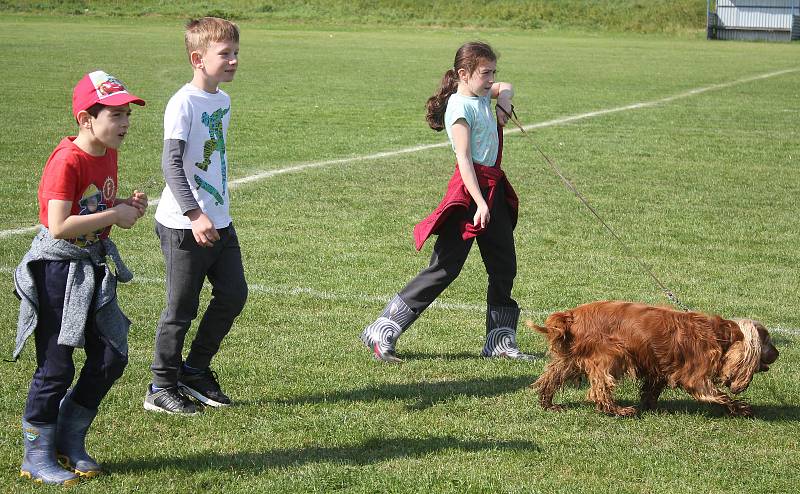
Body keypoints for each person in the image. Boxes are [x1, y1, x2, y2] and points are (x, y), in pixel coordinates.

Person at [360, 41, 533, 362]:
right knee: (444, 268)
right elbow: (465, 160)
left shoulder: (481, 93)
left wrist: (504, 100)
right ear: (464, 74)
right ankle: (382, 328)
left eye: (493, 71)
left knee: (504, 265)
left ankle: (499, 341)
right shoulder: (459, 108)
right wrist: (480, 204)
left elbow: (506, 87)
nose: (491, 79)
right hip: (469, 195)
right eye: (486, 73)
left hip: (491, 191)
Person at [13, 70, 147, 485]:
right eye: (116, 115)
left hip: (90, 265)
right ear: (86, 118)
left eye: (127, 114)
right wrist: (114, 215)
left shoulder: (107, 151)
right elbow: (57, 226)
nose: (125, 123)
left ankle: (69, 436)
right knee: (55, 367)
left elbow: (90, 208)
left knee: (111, 354)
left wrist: (122, 205)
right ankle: (37, 452)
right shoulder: (67, 159)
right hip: (59, 270)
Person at [146, 17, 247, 415]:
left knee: (234, 294)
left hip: (220, 219)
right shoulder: (183, 102)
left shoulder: (221, 100)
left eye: (236, 53)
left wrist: (213, 213)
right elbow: (171, 163)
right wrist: (194, 214)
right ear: (197, 58)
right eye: (226, 54)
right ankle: (160, 385)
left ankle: (196, 370)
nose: (234, 60)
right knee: (180, 308)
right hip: (184, 225)